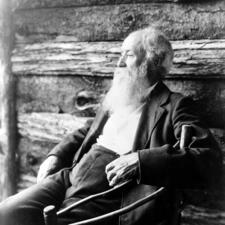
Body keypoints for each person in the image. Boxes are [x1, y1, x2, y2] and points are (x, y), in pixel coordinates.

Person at [0, 27, 222, 225]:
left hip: (110, 193)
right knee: (7, 213)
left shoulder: (174, 105)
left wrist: (141, 161)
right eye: (120, 54)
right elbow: (88, 131)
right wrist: (56, 156)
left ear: (150, 62)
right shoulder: (119, 96)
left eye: (129, 55)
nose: (119, 63)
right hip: (71, 176)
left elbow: (208, 159)